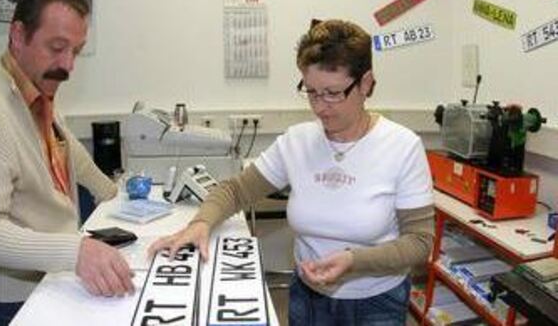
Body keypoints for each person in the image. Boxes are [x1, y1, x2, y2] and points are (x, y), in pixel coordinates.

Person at [149, 19, 435, 325]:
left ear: (365, 84)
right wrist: (200, 224)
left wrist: (354, 261)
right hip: (307, 298)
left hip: (376, 303)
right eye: (311, 92)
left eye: (332, 93)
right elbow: (234, 191)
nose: (320, 106)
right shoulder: (298, 142)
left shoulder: (402, 146)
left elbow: (419, 242)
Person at [0, 0, 134, 325]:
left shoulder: (34, 88)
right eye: (57, 47)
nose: (68, 66)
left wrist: (115, 195)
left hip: (48, 277)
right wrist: (75, 252)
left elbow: (65, 147)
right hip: (6, 302)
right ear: (18, 35)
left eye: (75, 51)